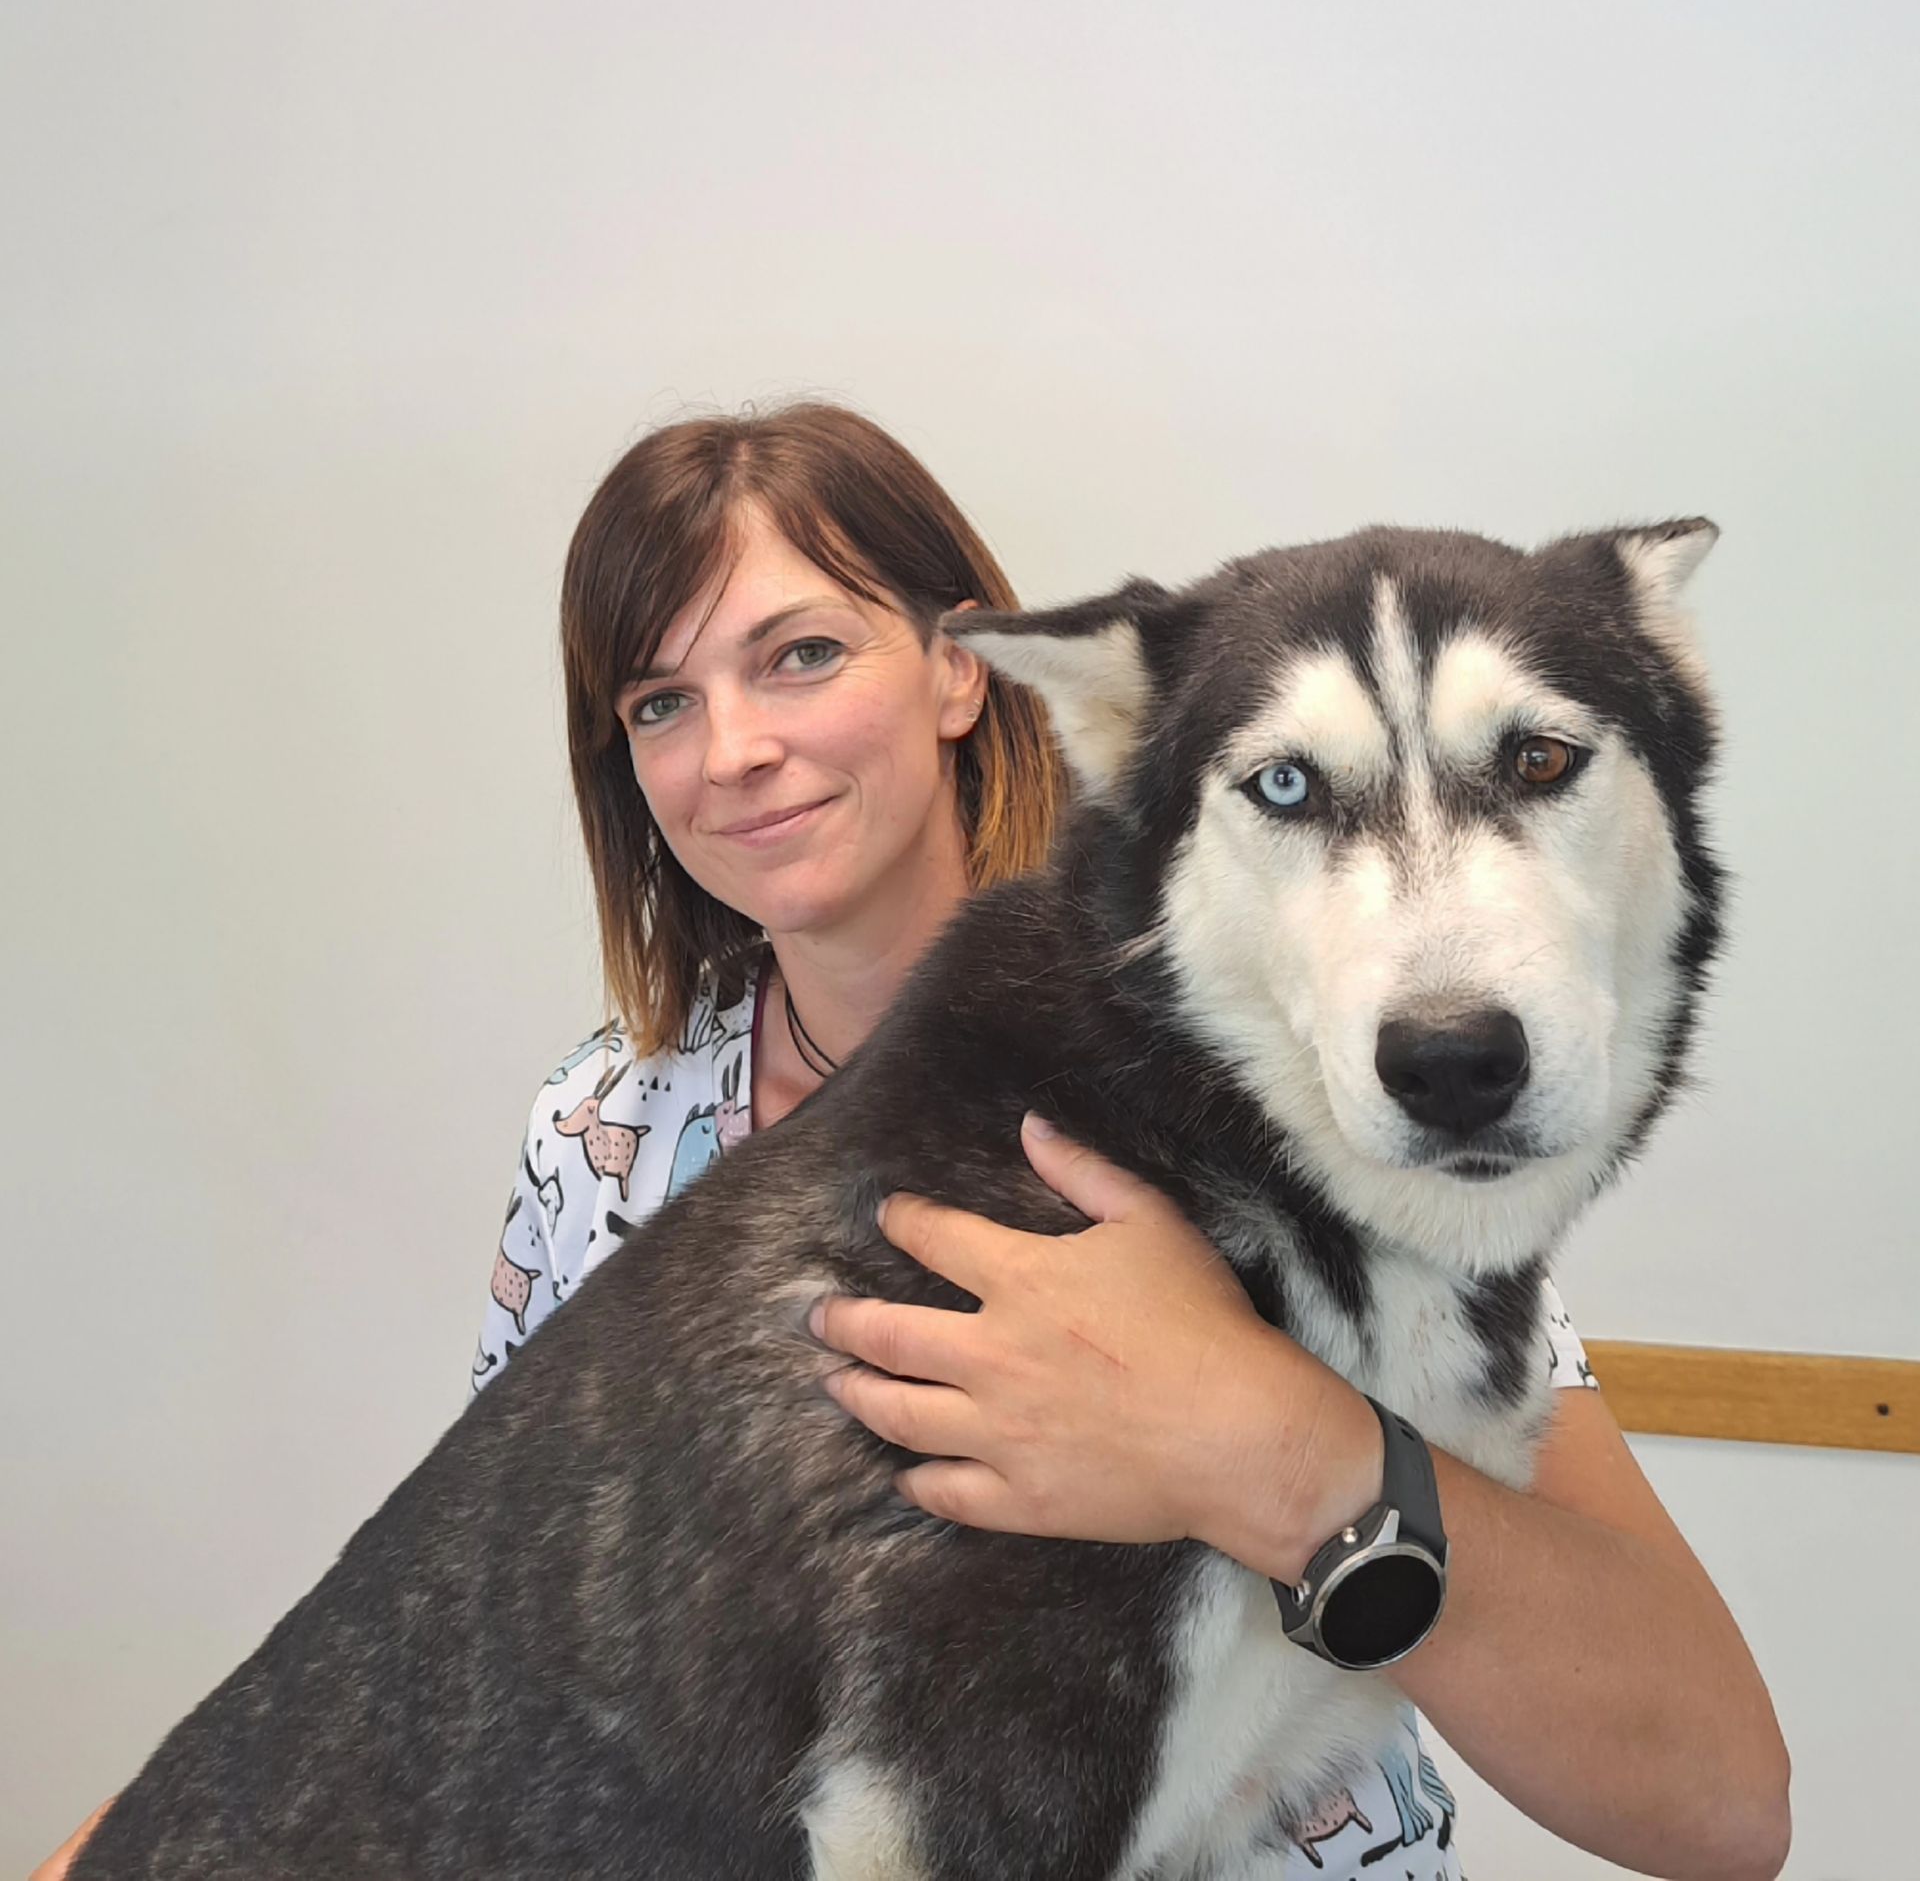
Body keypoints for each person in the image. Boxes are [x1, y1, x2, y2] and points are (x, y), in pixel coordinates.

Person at [38, 404, 1790, 1881]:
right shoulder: (605, 1130)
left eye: (800, 655)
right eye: (658, 702)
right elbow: (482, 1638)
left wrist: (1268, 1441)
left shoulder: (1356, 1125)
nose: (737, 750)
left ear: (965, 674)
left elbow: (1720, 1802)